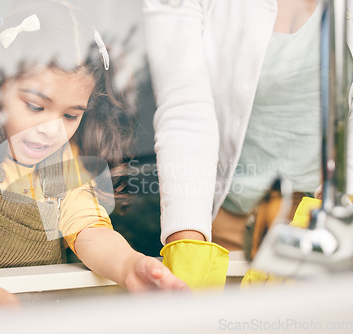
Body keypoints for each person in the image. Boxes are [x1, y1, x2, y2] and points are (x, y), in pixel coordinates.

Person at [0, 0, 187, 306]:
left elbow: (90, 232)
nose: (51, 130)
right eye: (35, 106)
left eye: (70, 116)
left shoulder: (65, 167)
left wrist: (128, 266)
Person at [144, 0, 353, 288]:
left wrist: (330, 223)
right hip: (224, 223)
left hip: (327, 221)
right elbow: (184, 112)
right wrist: (188, 248)